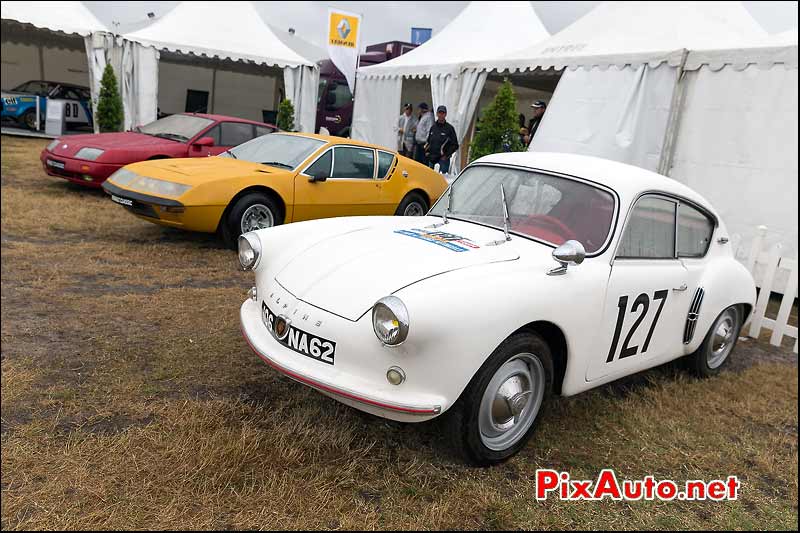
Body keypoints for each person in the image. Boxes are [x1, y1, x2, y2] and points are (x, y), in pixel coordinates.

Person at [425, 105, 458, 174]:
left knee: (442, 179)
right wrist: (427, 152)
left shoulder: (449, 128)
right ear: (437, 114)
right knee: (430, 178)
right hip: (432, 160)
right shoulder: (433, 127)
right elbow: (428, 142)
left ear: (445, 114)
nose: (441, 115)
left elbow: (455, 145)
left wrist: (446, 155)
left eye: (443, 113)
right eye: (439, 113)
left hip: (443, 160)